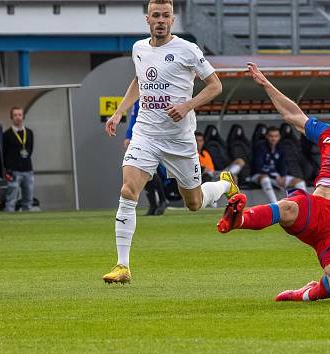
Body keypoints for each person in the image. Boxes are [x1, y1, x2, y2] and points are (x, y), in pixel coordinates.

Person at [217, 62, 330, 302]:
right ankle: (238, 219)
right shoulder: (328, 133)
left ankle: (306, 294)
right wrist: (267, 85)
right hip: (315, 209)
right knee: (289, 206)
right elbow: (293, 114)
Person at [102, 0, 239, 284]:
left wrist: (188, 105)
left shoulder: (187, 50)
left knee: (194, 202)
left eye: (166, 15)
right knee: (128, 190)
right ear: (147, 19)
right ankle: (122, 266)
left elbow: (215, 85)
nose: (161, 20)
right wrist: (119, 112)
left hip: (179, 140)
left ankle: (226, 183)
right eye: (156, 15)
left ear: (173, 19)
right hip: (146, 134)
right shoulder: (139, 48)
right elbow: (139, 82)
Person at [125, 100, 169, 216]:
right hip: (140, 139)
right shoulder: (139, 99)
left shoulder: (156, 96)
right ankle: (154, 204)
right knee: (143, 171)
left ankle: (162, 200)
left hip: (154, 138)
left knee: (150, 171)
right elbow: (134, 118)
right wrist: (129, 136)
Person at [252, 126, 307, 203]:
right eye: (271, 136)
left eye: (276, 136)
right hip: (260, 175)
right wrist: (275, 175)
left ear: (279, 137)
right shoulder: (261, 147)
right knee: (265, 179)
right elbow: (259, 167)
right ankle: (275, 205)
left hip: (277, 177)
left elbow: (283, 164)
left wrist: (283, 176)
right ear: (266, 136)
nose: (274, 139)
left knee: (300, 182)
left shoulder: (280, 148)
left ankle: (304, 204)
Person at [3, 107, 35, 212]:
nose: (18, 117)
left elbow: (30, 150)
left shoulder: (29, 132)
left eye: (20, 115)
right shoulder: (6, 134)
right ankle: (9, 223)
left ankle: (27, 223)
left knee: (28, 200)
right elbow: (4, 153)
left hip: (28, 171)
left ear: (23, 116)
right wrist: (8, 170)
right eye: (15, 115)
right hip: (14, 172)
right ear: (11, 117)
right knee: (11, 201)